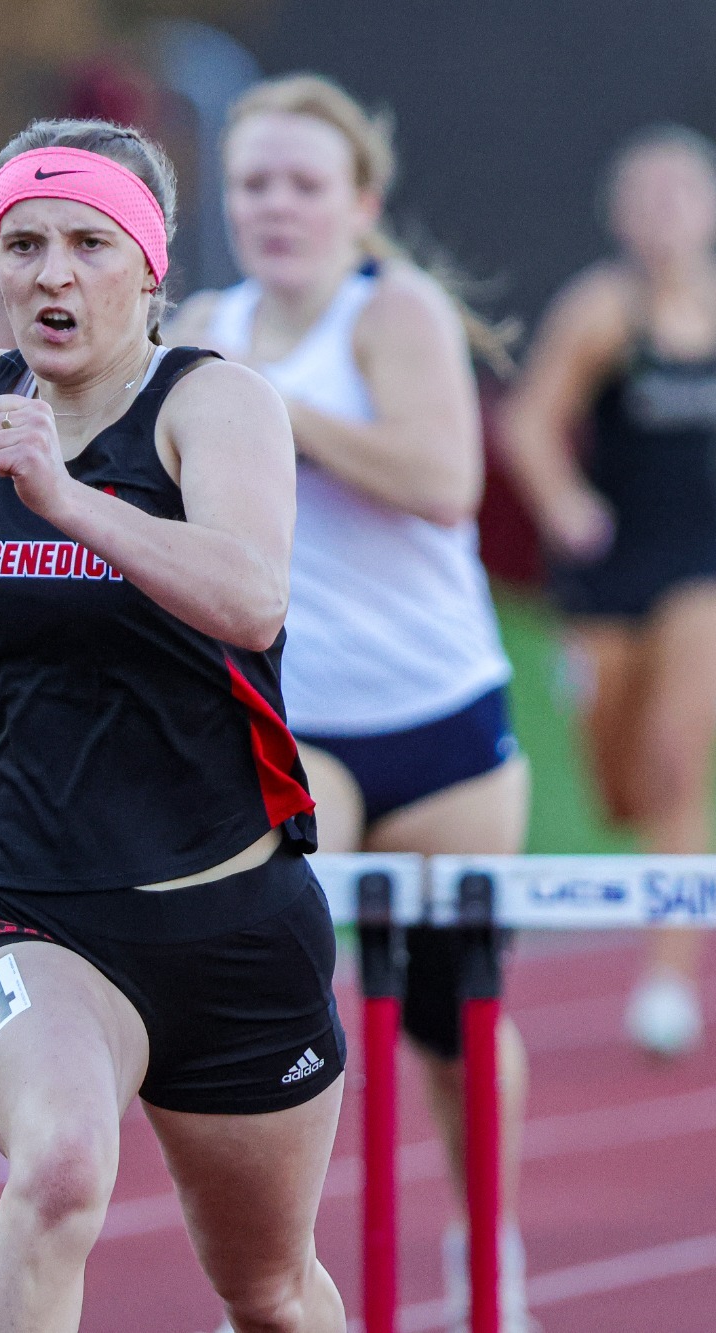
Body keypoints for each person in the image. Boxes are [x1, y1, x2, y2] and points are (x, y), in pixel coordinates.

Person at [0, 118, 348, 1333]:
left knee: (269, 1290)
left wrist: (68, 498)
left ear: (147, 263)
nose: (49, 274)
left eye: (85, 241)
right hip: (28, 908)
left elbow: (250, 597)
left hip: (229, 915)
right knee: (62, 1165)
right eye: (22, 244)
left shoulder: (215, 406)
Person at [167, 74, 535, 1331]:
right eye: (251, 184)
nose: (275, 206)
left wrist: (270, 408)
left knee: (449, 1023)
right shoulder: (202, 323)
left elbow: (444, 479)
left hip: (441, 720)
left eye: (302, 184)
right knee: (277, 999)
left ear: (357, 202)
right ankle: (276, 1283)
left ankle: (488, 1261)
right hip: (297, 726)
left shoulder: (393, 314)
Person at [501, 126, 716, 1058]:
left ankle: (669, 981)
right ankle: (655, 852)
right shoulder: (605, 310)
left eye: (684, 194)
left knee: (683, 754)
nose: (667, 214)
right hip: (607, 571)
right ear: (622, 216)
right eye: (648, 197)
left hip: (708, 571)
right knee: (623, 787)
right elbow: (528, 422)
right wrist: (565, 504)